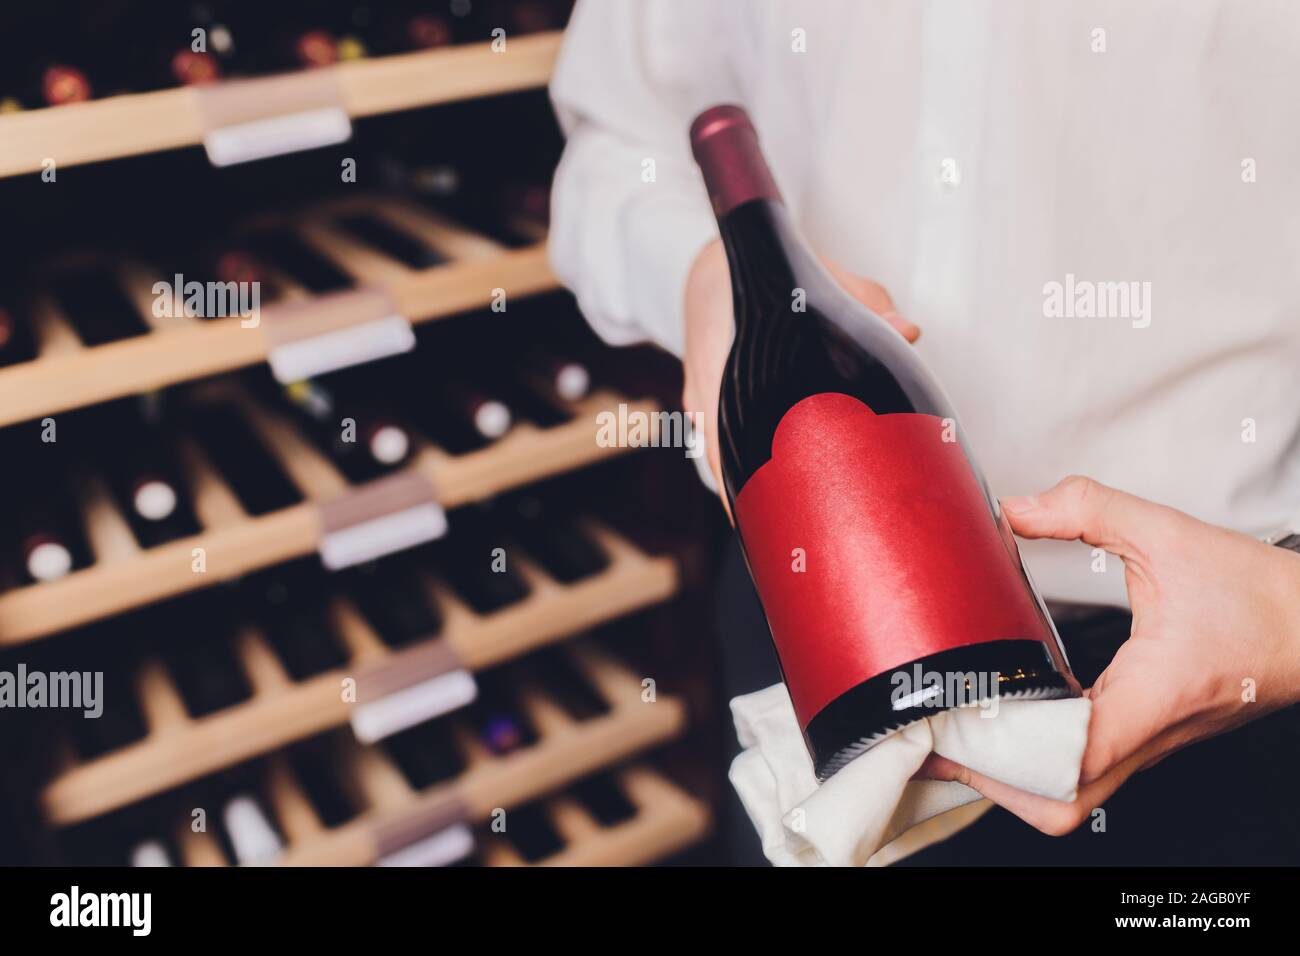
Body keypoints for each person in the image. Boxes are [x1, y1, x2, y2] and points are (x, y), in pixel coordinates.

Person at [547, 0, 1300, 864]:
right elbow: (617, 143)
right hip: (814, 632)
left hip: (1234, 679)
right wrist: (703, 271)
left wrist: (1291, 620)